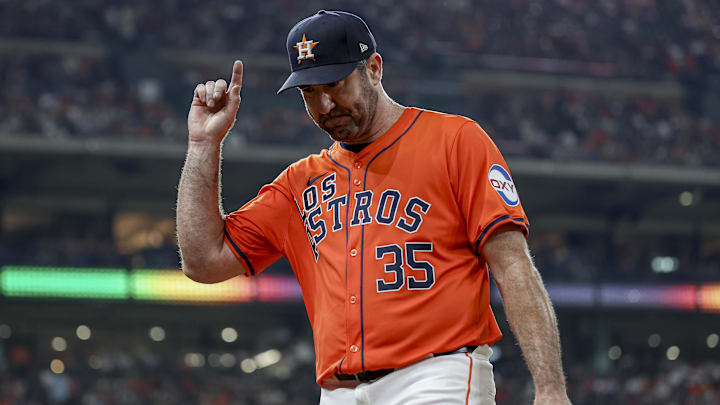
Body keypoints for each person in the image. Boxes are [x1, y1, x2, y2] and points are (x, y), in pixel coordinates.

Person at [177, 9, 572, 405]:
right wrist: (203, 145)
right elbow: (204, 261)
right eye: (309, 92)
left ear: (374, 68)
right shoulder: (299, 184)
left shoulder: (455, 141)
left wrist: (550, 388)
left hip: (436, 376)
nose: (326, 104)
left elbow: (513, 263)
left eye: (335, 83)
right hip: (337, 393)